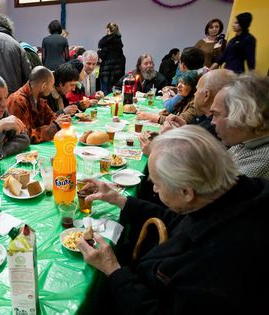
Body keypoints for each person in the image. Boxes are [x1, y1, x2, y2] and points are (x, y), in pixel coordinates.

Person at [77, 125, 269, 315]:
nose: (153, 190)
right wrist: (119, 199)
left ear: (186, 192)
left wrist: (113, 269)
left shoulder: (219, 265)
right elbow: (179, 222)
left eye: (157, 184)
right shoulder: (229, 196)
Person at [210, 74, 269, 178]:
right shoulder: (245, 142)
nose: (212, 122)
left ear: (242, 115)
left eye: (216, 114)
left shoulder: (263, 159)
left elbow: (211, 190)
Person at [6, 66, 71, 143]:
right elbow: (25, 136)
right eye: (51, 86)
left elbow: (51, 117)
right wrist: (55, 126)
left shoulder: (39, 98)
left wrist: (61, 120)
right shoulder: (18, 101)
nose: (51, 89)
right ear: (44, 86)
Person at [165, 47, 205, 112]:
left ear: (183, 65)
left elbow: (169, 107)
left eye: (179, 62)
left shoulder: (187, 79)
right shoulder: (204, 75)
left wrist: (166, 97)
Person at [97, 22, 126, 95]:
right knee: (115, 93)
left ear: (108, 30)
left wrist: (98, 53)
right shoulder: (119, 42)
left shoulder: (105, 42)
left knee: (105, 93)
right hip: (117, 72)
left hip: (106, 71)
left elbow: (101, 56)